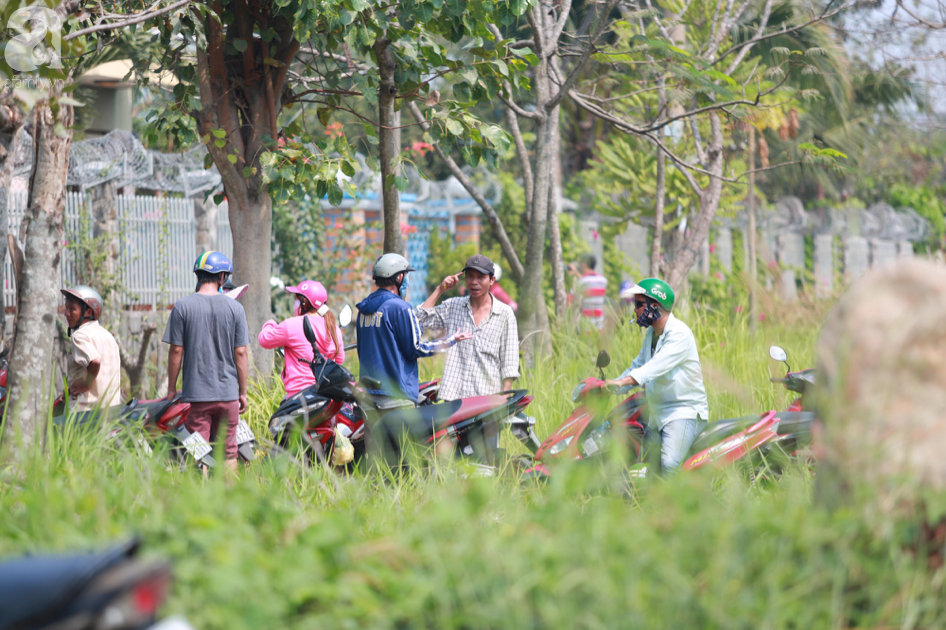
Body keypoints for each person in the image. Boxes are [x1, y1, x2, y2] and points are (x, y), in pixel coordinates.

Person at [602, 278, 709, 474]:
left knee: (668, 466)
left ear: (655, 305)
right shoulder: (651, 336)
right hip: (658, 414)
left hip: (683, 412)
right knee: (643, 468)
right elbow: (636, 367)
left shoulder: (679, 335)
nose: (634, 310)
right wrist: (611, 387)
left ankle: (680, 504)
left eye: (638, 304)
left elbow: (652, 369)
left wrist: (622, 382)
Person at [163, 251, 249, 471]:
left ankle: (201, 502)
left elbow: (175, 352)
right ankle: (231, 499)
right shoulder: (236, 309)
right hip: (228, 394)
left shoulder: (182, 306)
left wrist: (172, 389)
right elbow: (241, 353)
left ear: (198, 275)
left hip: (197, 396)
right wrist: (242, 392)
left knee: (198, 451)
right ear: (222, 277)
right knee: (229, 452)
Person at [355, 253, 471, 410]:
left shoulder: (364, 309)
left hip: (368, 397)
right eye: (406, 275)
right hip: (396, 398)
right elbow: (415, 348)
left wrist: (439, 289)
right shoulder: (400, 308)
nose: (407, 280)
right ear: (398, 277)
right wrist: (451, 340)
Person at [258, 280, 345, 398]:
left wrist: (270, 323)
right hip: (326, 396)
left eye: (296, 299)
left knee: (277, 417)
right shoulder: (333, 328)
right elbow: (339, 359)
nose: (295, 303)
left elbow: (264, 340)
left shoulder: (292, 325)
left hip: (299, 396)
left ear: (304, 302)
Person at [61, 285, 122, 411]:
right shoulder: (108, 336)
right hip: (111, 413)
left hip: (85, 415)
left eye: (72, 309)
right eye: (66, 308)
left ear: (88, 312)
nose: (66, 313)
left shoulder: (79, 336)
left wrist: (86, 384)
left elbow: (95, 361)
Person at [569, 254, 608, 331]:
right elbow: (588, 282)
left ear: (584, 264)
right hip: (600, 326)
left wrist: (570, 280)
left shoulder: (581, 282)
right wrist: (577, 274)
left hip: (586, 327)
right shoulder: (603, 281)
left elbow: (570, 301)